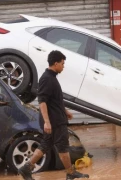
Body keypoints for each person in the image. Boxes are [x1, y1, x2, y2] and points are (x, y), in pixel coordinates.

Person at [18, 50, 89, 180]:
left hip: (55, 119)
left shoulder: (51, 78)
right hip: (54, 122)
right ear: (55, 63)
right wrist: (47, 122)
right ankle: (70, 173)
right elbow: (42, 101)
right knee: (63, 148)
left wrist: (65, 111)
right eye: (62, 63)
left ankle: (26, 168)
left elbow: (54, 100)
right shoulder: (47, 79)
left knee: (46, 145)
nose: (63, 66)